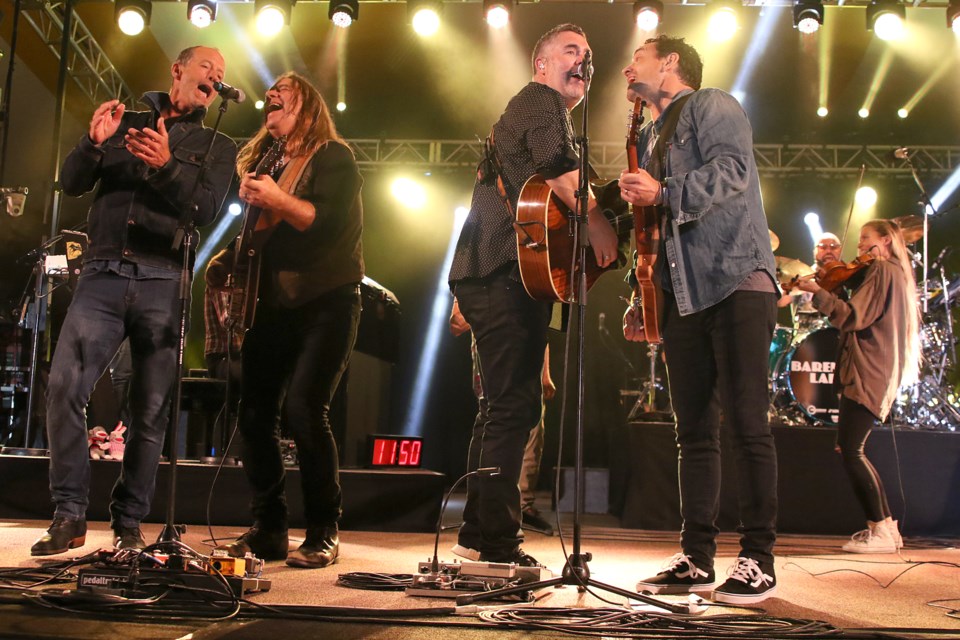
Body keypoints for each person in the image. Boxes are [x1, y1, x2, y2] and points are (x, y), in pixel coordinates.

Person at [30, 46, 237, 556]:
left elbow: (205, 209)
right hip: (101, 273)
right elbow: (72, 183)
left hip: (163, 280)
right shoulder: (125, 119)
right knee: (64, 388)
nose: (215, 76)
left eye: (221, 73)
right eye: (207, 66)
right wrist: (91, 144)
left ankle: (128, 523)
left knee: (150, 412)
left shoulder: (218, 143)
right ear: (178, 71)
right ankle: (70, 513)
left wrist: (168, 166)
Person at [447, 23, 618, 565]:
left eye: (588, 55)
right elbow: (565, 176)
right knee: (513, 410)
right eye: (571, 51)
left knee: (500, 409)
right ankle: (497, 542)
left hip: (500, 275)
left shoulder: (544, 113)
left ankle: (479, 534)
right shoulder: (541, 103)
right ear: (540, 64)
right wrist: (602, 225)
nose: (583, 61)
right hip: (501, 275)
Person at [619, 36, 780, 604]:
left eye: (639, 53)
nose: (627, 63)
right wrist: (644, 298)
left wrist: (666, 188)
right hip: (683, 293)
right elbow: (653, 233)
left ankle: (759, 558)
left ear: (668, 62)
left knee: (746, 424)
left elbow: (734, 169)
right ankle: (697, 556)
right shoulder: (645, 133)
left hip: (737, 279)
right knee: (693, 432)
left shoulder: (713, 104)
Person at [210, 72, 364, 569]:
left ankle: (323, 528)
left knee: (304, 410)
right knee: (253, 413)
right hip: (270, 303)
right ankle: (269, 528)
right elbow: (263, 235)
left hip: (328, 300)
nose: (271, 93)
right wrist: (230, 258)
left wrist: (276, 199)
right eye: (269, 90)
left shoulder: (333, 157)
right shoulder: (267, 161)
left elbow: (326, 223)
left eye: (285, 89)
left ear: (309, 106)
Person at [795, 220, 919, 553]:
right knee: (853, 449)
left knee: (851, 450)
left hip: (867, 370)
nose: (859, 247)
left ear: (887, 242)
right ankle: (887, 528)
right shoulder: (891, 273)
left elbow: (853, 318)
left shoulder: (881, 271)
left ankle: (878, 530)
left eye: (866, 239)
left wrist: (817, 292)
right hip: (875, 368)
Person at [449, 298, 556, 536]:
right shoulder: (484, 270)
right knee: (497, 419)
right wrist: (494, 310)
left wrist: (545, 373)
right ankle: (492, 527)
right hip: (498, 340)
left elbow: (544, 326)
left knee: (526, 424)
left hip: (525, 339)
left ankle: (507, 511)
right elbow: (456, 322)